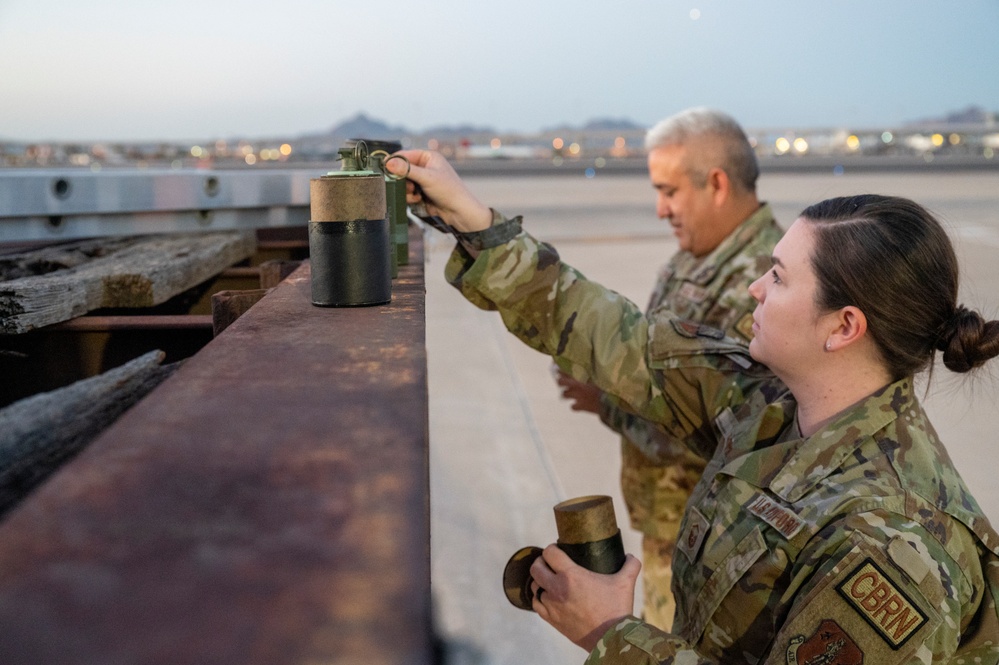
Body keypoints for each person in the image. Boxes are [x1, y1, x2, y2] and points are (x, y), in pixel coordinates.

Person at [384, 150, 999, 664]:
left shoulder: (892, 545)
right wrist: (471, 217)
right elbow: (614, 336)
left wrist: (608, 633)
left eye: (780, 278)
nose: (756, 288)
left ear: (842, 328)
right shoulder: (769, 402)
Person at [553, 108, 783, 629]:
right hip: (675, 527)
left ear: (717, 184)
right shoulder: (696, 257)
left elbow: (726, 432)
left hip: (711, 541)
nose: (661, 209)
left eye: (670, 191)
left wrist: (606, 401)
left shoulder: (758, 284)